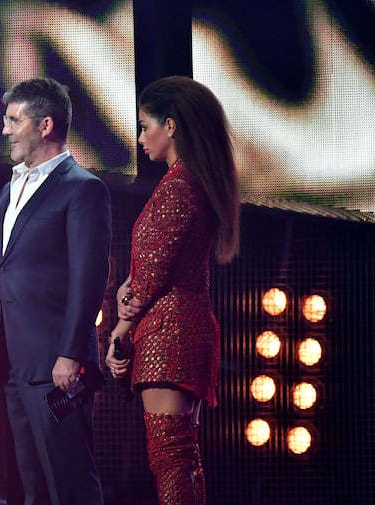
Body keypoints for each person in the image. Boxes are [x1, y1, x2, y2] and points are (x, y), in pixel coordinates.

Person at [105, 75, 240, 505]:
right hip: (184, 328)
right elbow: (142, 272)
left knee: (171, 458)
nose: (141, 137)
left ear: (172, 125)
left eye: (146, 126)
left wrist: (117, 335)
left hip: (170, 334)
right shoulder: (190, 184)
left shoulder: (179, 188)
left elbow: (146, 282)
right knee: (181, 459)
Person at [0, 77, 112, 505]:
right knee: (32, 485)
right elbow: (1, 272)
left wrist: (71, 355)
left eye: (14, 120)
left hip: (58, 366)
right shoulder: (8, 189)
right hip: (16, 364)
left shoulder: (83, 189)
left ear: (45, 125)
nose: (4, 130)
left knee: (69, 483)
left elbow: (89, 279)